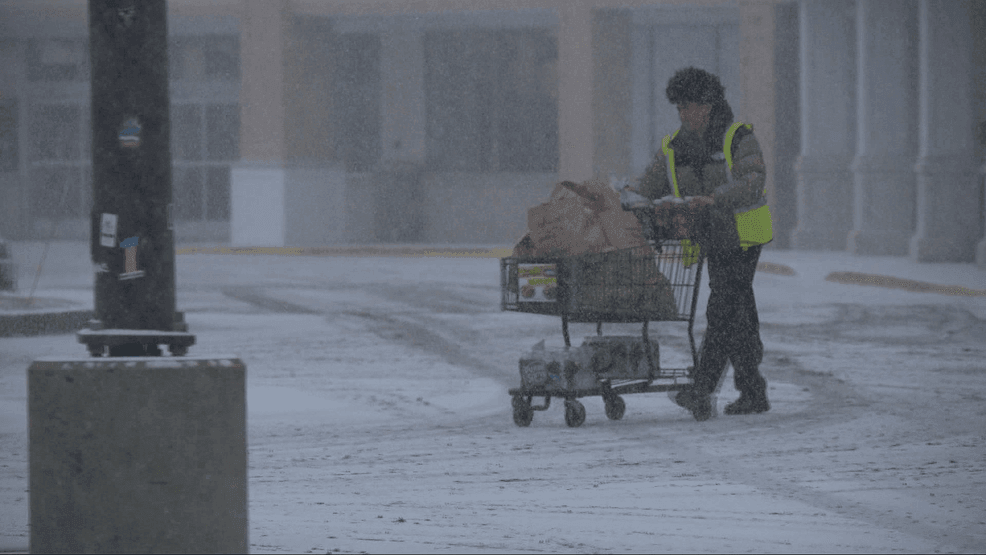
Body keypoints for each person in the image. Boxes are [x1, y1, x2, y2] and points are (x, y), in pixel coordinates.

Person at [632, 67, 774, 421]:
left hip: (744, 235)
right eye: (679, 108)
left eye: (689, 107)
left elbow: (753, 179)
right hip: (712, 238)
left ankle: (702, 387)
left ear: (708, 106)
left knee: (722, 309)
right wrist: (627, 197)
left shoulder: (737, 138)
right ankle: (752, 390)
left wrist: (716, 198)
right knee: (739, 314)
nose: (683, 114)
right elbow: (649, 182)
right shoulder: (674, 146)